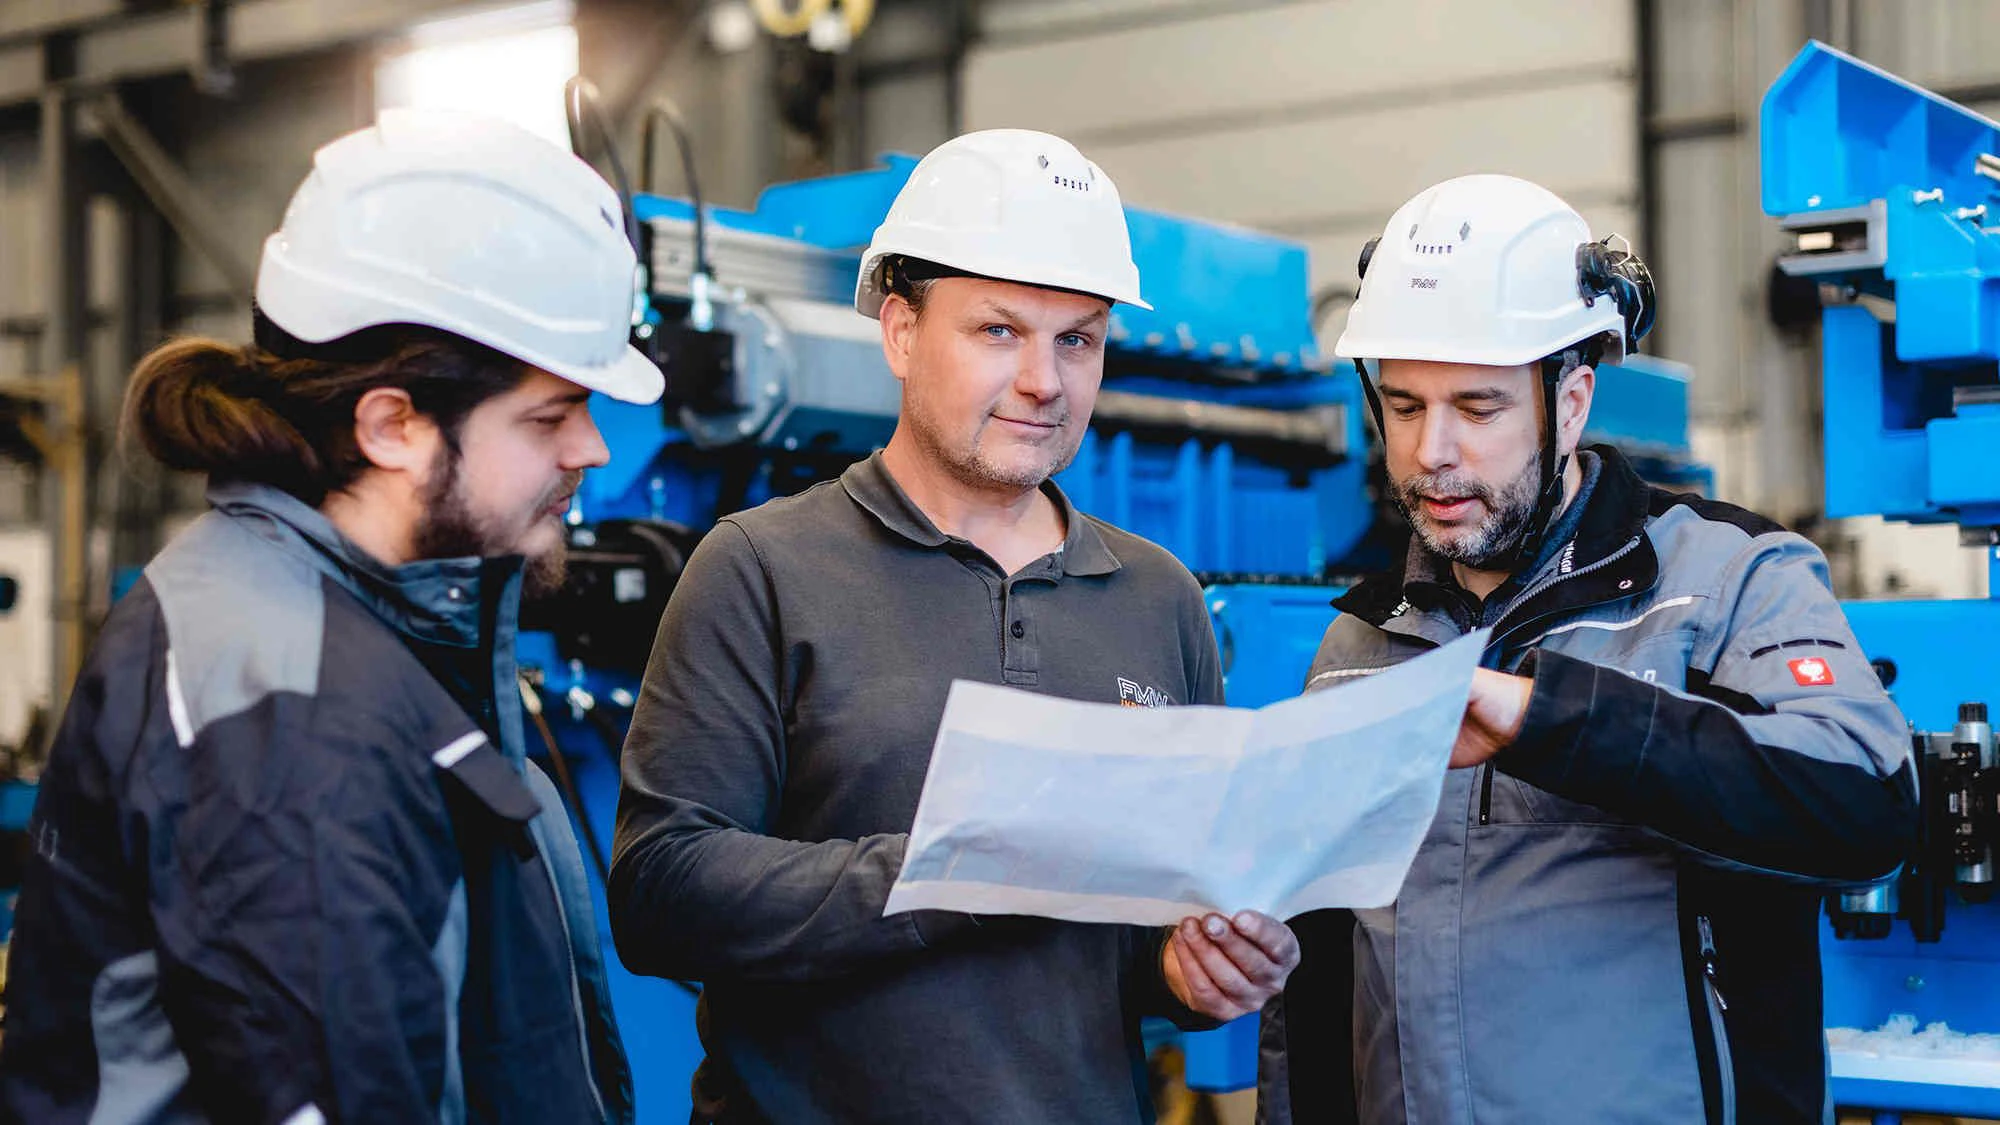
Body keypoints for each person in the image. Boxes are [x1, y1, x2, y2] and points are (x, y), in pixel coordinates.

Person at [611, 128, 1300, 1123]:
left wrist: (1186, 974)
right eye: (998, 331)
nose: (1044, 381)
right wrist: (954, 870)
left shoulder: (1159, 598)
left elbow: (1138, 939)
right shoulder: (761, 568)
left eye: (1077, 340)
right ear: (899, 331)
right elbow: (660, 892)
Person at [0, 110, 660, 1124]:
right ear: (392, 425)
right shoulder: (296, 712)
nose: (591, 449)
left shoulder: (359, 616)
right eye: (549, 415)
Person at [1254, 173, 1920, 1125]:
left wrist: (1551, 716)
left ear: (1570, 402)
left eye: (1477, 408)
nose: (1432, 451)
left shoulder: (1726, 580)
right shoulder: (1357, 646)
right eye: (1403, 406)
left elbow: (1867, 804)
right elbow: (1317, 994)